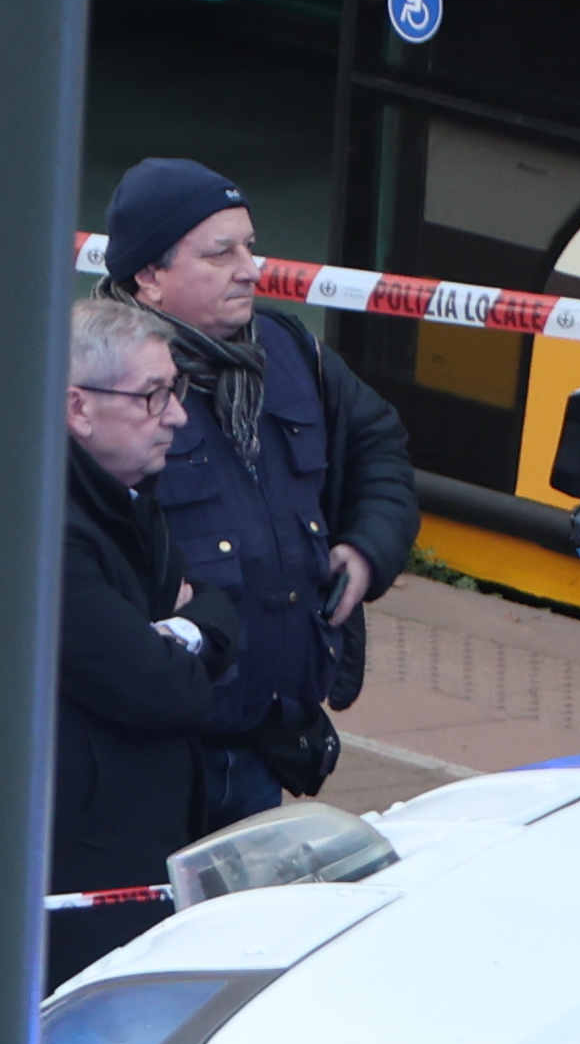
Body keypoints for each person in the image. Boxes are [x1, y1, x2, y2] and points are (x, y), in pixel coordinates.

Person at [109, 157, 414, 822]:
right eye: (220, 254)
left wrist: (366, 551)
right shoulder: (99, 383)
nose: (251, 268)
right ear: (150, 277)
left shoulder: (289, 352)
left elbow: (378, 444)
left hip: (260, 750)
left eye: (249, 246)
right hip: (148, 756)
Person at [50, 296, 249, 987]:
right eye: (153, 396)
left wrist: (190, 628)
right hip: (85, 881)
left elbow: (208, 614)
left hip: (138, 847)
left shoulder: (128, 496)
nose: (177, 416)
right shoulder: (49, 533)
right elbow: (160, 686)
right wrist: (198, 631)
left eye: (176, 390)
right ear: (79, 408)